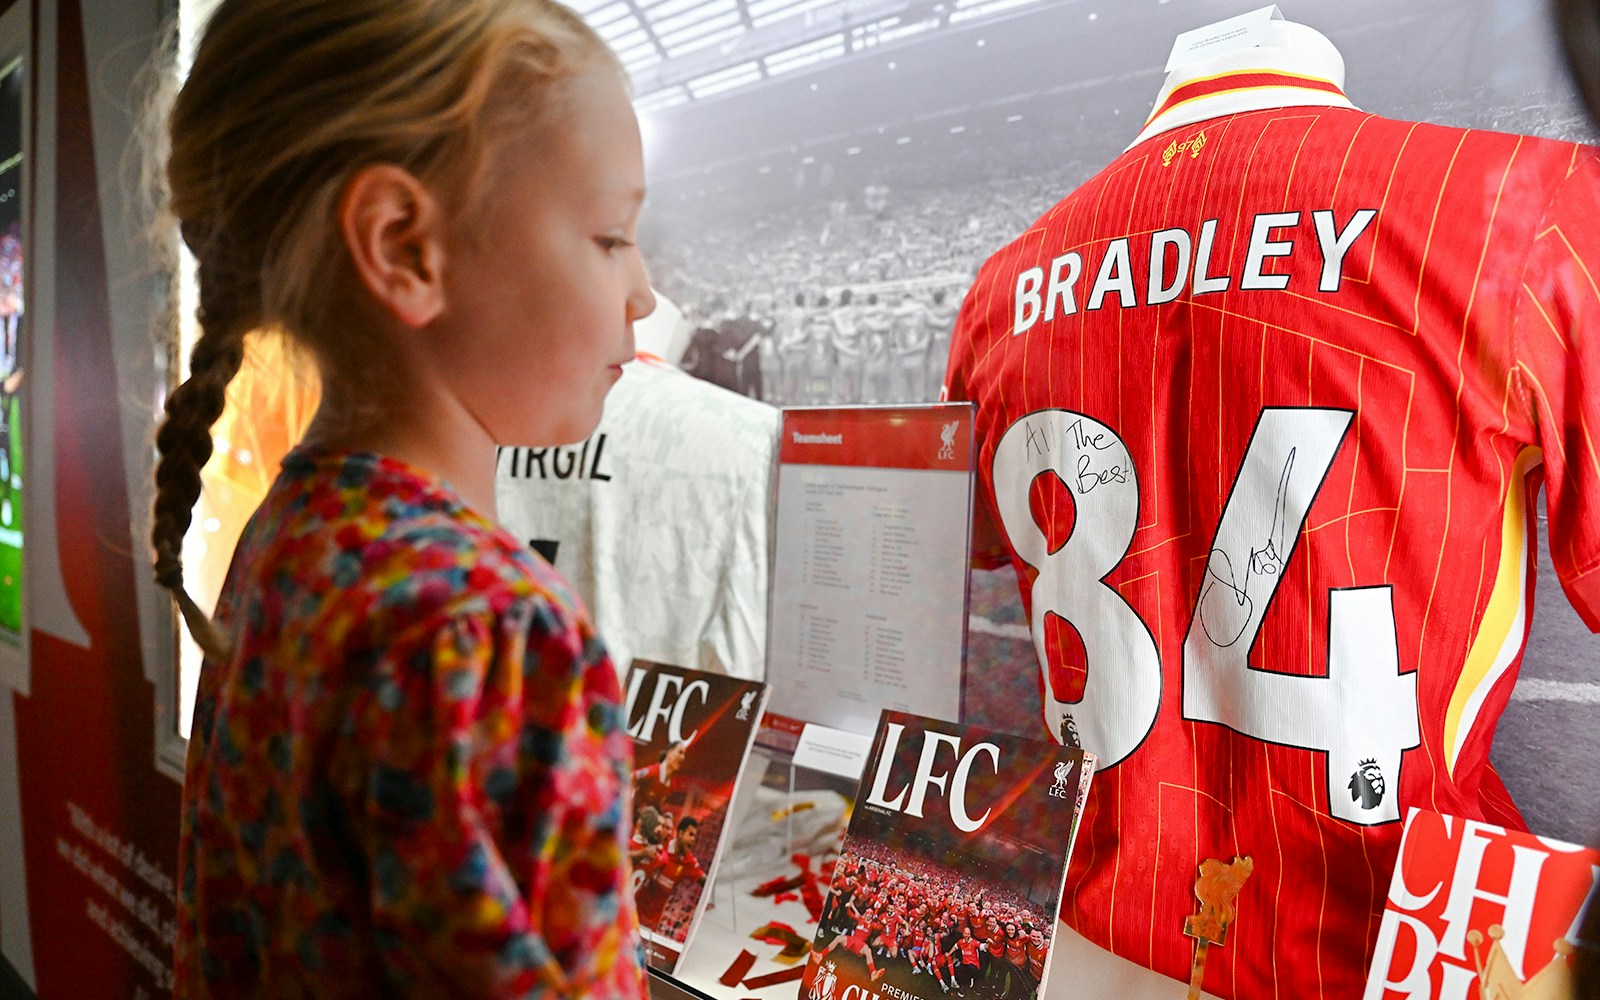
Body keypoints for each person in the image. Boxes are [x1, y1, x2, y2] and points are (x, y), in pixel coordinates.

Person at [943, 14, 1600, 1000]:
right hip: (1396, 944)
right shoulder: (1528, 204)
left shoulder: (1001, 291)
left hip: (1096, 933)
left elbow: (1000, 549)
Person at [152, 1, 655, 995]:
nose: (642, 291)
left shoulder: (289, 536)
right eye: (610, 236)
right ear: (404, 248)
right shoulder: (496, 627)